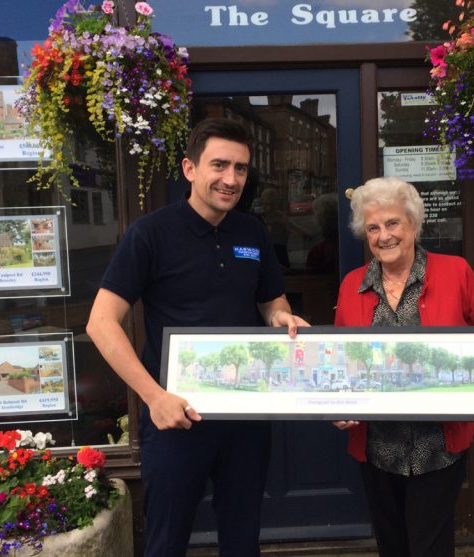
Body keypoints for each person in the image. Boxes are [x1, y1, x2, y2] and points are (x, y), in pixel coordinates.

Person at [86, 118, 309, 557]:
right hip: (176, 416)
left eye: (240, 168)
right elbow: (101, 322)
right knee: (166, 542)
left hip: (245, 413)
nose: (231, 179)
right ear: (190, 168)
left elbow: (270, 302)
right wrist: (154, 397)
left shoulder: (252, 232)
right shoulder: (150, 233)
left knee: (243, 539)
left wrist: (281, 317)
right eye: (219, 165)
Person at [332, 176, 474, 557]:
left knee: (431, 547)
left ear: (413, 224)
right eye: (373, 228)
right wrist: (337, 403)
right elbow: (343, 360)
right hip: (378, 448)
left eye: (393, 223)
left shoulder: (456, 272)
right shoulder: (351, 285)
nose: (384, 236)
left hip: (438, 446)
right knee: (392, 546)